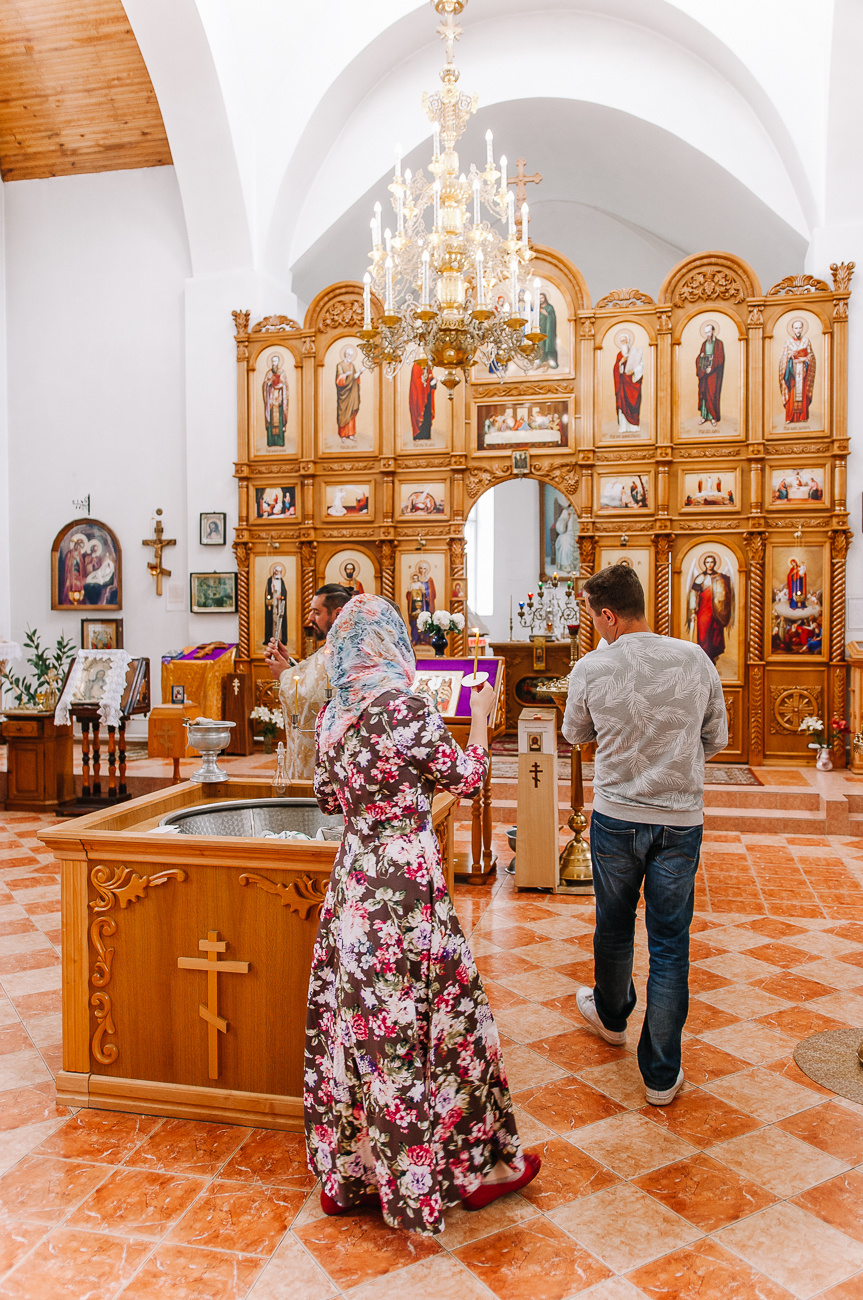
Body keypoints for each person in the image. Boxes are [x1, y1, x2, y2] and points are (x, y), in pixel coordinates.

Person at [305, 594, 539, 1233]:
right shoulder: (405, 705)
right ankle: (474, 1168)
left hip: (354, 880)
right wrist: (484, 717)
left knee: (355, 1021)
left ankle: (350, 1172)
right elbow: (466, 779)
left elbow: (328, 799)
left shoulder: (335, 714)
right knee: (443, 1014)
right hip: (406, 882)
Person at [562, 564, 727, 1105]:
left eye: (594, 617)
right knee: (670, 944)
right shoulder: (695, 658)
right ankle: (660, 1075)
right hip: (680, 822)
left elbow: (575, 735)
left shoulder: (592, 665)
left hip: (616, 817)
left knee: (613, 925)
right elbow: (716, 737)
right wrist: (673, 765)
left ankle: (611, 1017)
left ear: (608, 614)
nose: (595, 626)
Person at [265, 584, 352, 781]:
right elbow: (317, 680)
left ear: (337, 614)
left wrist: (284, 675)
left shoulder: (341, 649)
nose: (311, 618)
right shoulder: (336, 646)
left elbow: (313, 696)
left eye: (316, 612)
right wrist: (290, 665)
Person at [686, 553, 733, 665]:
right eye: (707, 562)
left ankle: (713, 656)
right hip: (704, 610)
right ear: (704, 563)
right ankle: (703, 658)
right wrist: (692, 609)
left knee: (716, 633)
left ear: (715, 563)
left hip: (716, 611)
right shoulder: (700, 578)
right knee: (703, 634)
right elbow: (693, 593)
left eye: (712, 562)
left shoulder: (720, 577)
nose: (710, 564)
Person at [778, 318, 816, 423]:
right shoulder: (788, 342)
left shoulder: (806, 341)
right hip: (792, 372)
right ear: (792, 329)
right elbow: (782, 357)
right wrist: (789, 356)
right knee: (792, 393)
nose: (798, 330)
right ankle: (790, 418)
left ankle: (803, 417)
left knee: (802, 393)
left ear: (802, 328)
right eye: (796, 328)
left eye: (800, 328)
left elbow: (811, 355)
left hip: (803, 371)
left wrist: (806, 359)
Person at [613, 331, 643, 433]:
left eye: (625, 341)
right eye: (621, 342)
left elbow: (641, 366)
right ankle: (623, 426)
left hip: (632, 383)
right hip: (622, 385)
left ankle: (634, 426)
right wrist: (621, 362)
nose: (623, 343)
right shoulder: (619, 355)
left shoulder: (635, 353)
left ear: (628, 341)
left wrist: (634, 371)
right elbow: (615, 369)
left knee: (634, 403)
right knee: (622, 404)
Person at [695, 321, 725, 426]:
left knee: (712, 394)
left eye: (709, 332)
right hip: (704, 374)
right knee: (704, 394)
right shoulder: (704, 344)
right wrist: (701, 357)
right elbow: (700, 357)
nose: (708, 334)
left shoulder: (719, 344)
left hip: (714, 375)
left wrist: (711, 368)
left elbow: (719, 359)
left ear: (713, 331)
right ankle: (704, 416)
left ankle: (713, 417)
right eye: (706, 332)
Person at [262, 354, 289, 447]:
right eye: (273, 361)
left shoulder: (282, 372)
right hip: (271, 402)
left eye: (276, 361)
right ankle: (271, 442)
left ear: (278, 362)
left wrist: (281, 385)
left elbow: (285, 385)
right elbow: (265, 385)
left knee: (280, 421)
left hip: (279, 402)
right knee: (271, 421)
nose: (274, 363)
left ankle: (280, 442)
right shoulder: (268, 373)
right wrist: (269, 382)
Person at [335, 344, 361, 440]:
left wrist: (358, 374)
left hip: (352, 393)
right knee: (343, 413)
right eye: (349, 355)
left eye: (351, 355)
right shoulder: (340, 365)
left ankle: (350, 433)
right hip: (344, 394)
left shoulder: (352, 365)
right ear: (345, 355)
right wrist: (345, 375)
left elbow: (354, 377)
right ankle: (343, 434)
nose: (350, 357)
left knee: (352, 413)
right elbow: (339, 380)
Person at [408, 359, 436, 440]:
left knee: (427, 415)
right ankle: (418, 435)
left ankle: (427, 435)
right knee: (418, 412)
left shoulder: (428, 366)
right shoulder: (416, 366)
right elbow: (417, 382)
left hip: (427, 396)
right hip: (418, 397)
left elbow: (431, 378)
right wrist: (427, 382)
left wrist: (433, 381)